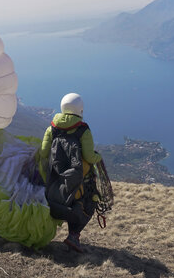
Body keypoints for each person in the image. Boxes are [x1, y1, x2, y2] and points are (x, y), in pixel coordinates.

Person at [40, 93, 102, 253]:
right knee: (89, 202)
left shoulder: (51, 128)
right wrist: (98, 157)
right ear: (80, 110)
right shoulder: (83, 130)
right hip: (78, 181)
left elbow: (44, 153)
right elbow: (89, 156)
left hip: (55, 180)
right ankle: (73, 235)